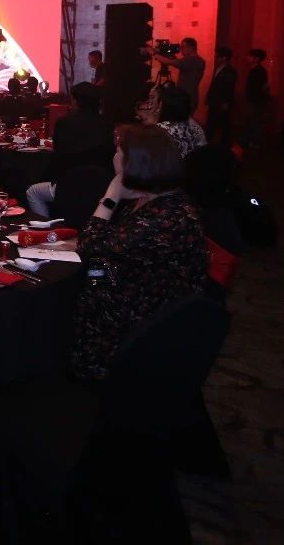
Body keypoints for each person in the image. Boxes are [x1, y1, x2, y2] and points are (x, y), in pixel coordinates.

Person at [71, 124, 207, 381]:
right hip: (130, 284)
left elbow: (90, 246)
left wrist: (111, 195)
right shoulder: (151, 199)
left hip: (136, 321)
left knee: (65, 293)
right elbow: (110, 249)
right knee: (71, 277)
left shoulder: (166, 217)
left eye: (119, 153)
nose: (114, 158)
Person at [25, 82, 115, 217]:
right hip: (102, 185)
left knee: (33, 191)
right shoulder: (107, 125)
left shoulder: (65, 123)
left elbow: (59, 153)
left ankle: (48, 226)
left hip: (69, 183)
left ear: (76, 101)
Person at [152, 37, 205, 117]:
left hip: (185, 98)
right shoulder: (200, 60)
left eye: (182, 47)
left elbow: (168, 61)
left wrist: (154, 53)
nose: (180, 50)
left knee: (180, 121)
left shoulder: (190, 60)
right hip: (191, 96)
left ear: (191, 48)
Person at [154, 84, 207, 159]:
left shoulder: (161, 130)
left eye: (160, 105)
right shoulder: (196, 128)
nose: (158, 108)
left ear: (166, 108)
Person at [204, 46, 237, 146]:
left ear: (224, 58)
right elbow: (214, 85)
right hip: (215, 101)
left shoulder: (230, 71)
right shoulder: (219, 69)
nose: (215, 58)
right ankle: (212, 142)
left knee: (223, 123)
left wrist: (226, 102)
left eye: (217, 56)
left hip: (221, 102)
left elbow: (230, 88)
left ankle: (223, 144)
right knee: (213, 121)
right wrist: (208, 96)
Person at [243, 48, 271, 148]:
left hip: (256, 100)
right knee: (252, 120)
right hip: (254, 100)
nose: (247, 58)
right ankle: (252, 141)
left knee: (254, 121)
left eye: (250, 56)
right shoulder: (255, 70)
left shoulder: (259, 71)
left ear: (256, 58)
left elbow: (262, 87)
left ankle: (254, 141)